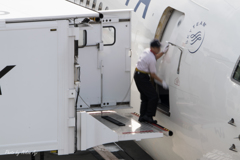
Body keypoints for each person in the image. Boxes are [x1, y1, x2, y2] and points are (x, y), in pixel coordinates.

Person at [134, 39, 169, 124]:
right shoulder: (151, 59)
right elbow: (153, 74)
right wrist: (162, 82)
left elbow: (155, 57)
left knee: (145, 97)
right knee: (154, 96)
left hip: (138, 75)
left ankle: (142, 116)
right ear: (153, 47)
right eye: (157, 48)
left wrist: (163, 52)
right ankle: (148, 116)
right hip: (142, 77)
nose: (159, 49)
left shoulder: (147, 51)